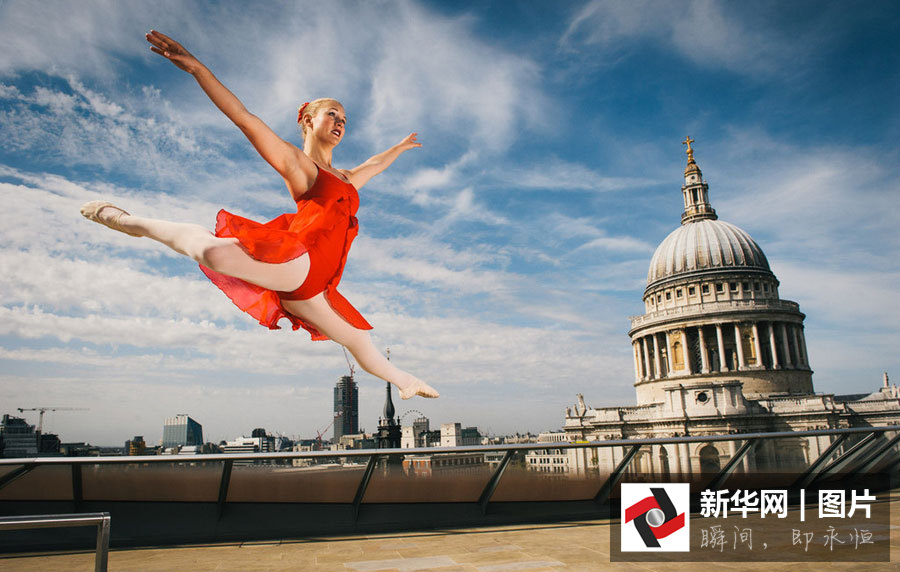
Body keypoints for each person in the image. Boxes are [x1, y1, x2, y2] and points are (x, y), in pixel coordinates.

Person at [80, 30, 438, 400]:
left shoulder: (346, 179)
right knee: (212, 252)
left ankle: (405, 381)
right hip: (298, 261)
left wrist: (398, 147)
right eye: (332, 114)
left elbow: (373, 166)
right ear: (309, 121)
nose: (340, 121)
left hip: (316, 288)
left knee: (360, 342)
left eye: (344, 118)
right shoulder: (300, 166)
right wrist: (197, 69)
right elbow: (244, 118)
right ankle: (124, 220)